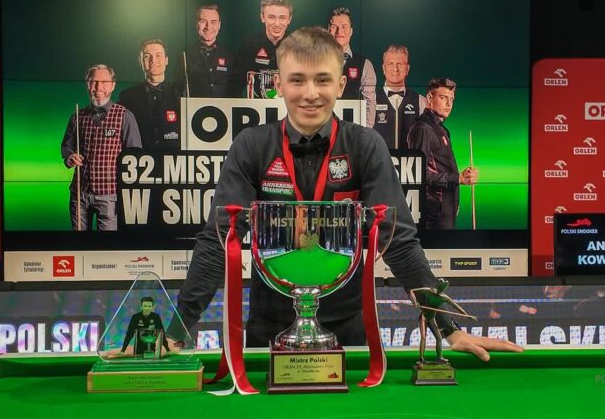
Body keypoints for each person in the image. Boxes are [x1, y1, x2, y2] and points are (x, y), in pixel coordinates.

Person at [175, 27, 521, 361]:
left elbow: (398, 240)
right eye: (297, 80)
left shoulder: (365, 145)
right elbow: (219, 239)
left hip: (347, 329)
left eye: (323, 80)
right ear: (279, 84)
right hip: (269, 328)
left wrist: (449, 329)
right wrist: (177, 331)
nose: (310, 93)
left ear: (341, 85)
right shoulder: (251, 146)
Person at [61, 64, 142, 231]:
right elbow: (67, 146)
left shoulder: (125, 116)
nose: (98, 87)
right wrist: (70, 157)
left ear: (113, 85)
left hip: (110, 195)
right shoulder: (77, 116)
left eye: (104, 82)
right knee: (78, 242)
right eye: (93, 82)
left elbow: (134, 156)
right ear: (87, 85)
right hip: (79, 193)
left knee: (107, 243)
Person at [407, 78, 478, 229]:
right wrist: (458, 178)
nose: (448, 104)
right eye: (443, 97)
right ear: (429, 98)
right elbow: (417, 175)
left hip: (446, 209)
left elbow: (442, 167)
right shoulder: (422, 128)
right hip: (433, 212)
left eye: (451, 99)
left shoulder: (442, 129)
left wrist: (454, 201)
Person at [118, 39, 182, 149]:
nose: (153, 60)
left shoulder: (182, 93)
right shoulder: (126, 96)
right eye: (147, 56)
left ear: (166, 60)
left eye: (158, 55)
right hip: (138, 157)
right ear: (140, 61)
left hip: (173, 158)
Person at [233, 0, 292, 98]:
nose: (277, 24)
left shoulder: (298, 46)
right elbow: (236, 84)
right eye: (271, 17)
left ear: (289, 19)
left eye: (282, 18)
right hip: (257, 104)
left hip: (288, 105)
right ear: (262, 17)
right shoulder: (249, 45)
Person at [327, 6, 376, 128]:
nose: (339, 32)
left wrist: (365, 132)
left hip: (351, 131)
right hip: (322, 129)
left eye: (344, 27)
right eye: (334, 27)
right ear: (328, 30)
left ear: (351, 31)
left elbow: (370, 103)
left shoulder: (365, 64)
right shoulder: (316, 60)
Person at [373, 45, 427, 150]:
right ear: (383, 68)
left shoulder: (421, 102)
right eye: (390, 64)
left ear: (407, 69)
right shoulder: (369, 99)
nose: (395, 69)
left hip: (411, 159)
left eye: (400, 64)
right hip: (377, 160)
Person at [184, 5, 235, 98]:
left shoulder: (230, 55)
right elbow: (178, 90)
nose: (208, 27)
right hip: (195, 107)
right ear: (196, 24)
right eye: (203, 21)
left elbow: (236, 89)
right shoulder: (184, 55)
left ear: (219, 25)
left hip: (223, 107)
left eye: (213, 22)